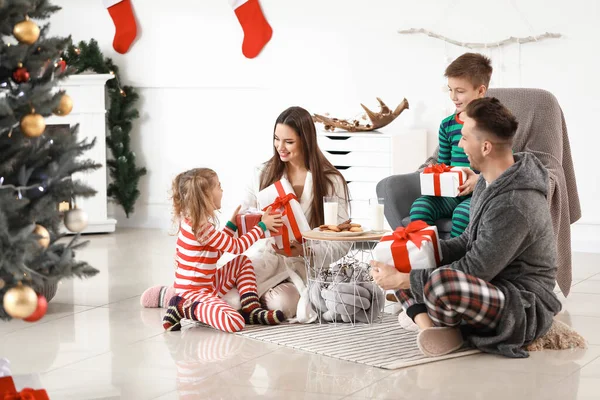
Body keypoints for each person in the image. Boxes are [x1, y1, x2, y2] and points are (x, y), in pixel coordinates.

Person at [372, 97, 562, 358]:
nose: (460, 144)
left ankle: (436, 319)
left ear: (485, 147)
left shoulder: (515, 203)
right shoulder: (488, 180)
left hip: (520, 304)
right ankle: (433, 326)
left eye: (464, 137)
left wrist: (404, 280)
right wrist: (419, 249)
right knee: (408, 258)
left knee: (438, 281)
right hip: (489, 285)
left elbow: (476, 269)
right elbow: (466, 241)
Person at [142, 106, 350, 320]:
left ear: (306, 141)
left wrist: (305, 252)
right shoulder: (263, 173)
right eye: (276, 139)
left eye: (289, 142)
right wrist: (256, 224)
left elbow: (343, 242)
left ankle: (203, 300)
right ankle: (177, 295)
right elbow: (241, 218)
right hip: (266, 260)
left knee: (283, 304)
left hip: (303, 267)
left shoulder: (330, 181)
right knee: (230, 300)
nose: (280, 147)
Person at [162, 167, 285, 333]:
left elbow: (217, 251)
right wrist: (262, 227)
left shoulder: (195, 223)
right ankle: (182, 307)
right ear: (206, 195)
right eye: (218, 186)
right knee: (234, 322)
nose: (222, 190)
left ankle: (251, 309)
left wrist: (231, 225)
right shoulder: (200, 229)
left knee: (242, 262)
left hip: (207, 284)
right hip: (194, 292)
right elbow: (237, 246)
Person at [409, 52, 492, 237]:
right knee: (420, 206)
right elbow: (443, 164)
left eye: (460, 91)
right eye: (450, 89)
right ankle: (427, 259)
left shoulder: (493, 124)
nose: (453, 97)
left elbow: (503, 167)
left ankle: (455, 262)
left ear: (480, 90)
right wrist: (433, 175)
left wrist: (479, 182)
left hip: (479, 193)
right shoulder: (447, 125)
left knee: (462, 214)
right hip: (452, 192)